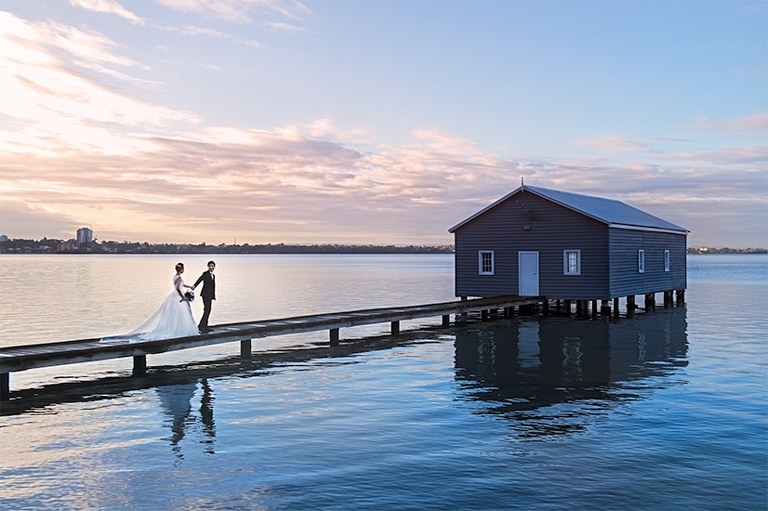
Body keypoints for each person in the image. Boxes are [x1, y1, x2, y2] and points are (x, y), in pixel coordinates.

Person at [101, 263, 199, 343]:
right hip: (178, 297)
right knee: (181, 314)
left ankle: (175, 328)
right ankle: (179, 330)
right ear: (182, 269)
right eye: (183, 269)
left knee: (174, 314)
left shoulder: (175, 277)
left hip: (173, 296)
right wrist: (183, 297)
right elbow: (178, 288)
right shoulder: (179, 278)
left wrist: (189, 287)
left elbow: (180, 285)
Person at [194, 260, 216, 333]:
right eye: (210, 266)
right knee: (207, 310)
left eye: (212, 266)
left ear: (214, 267)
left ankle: (205, 325)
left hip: (210, 295)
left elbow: (213, 286)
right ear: (208, 266)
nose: (211, 267)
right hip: (205, 294)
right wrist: (194, 286)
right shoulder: (205, 274)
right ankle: (201, 326)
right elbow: (200, 279)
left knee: (208, 310)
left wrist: (213, 295)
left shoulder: (213, 275)